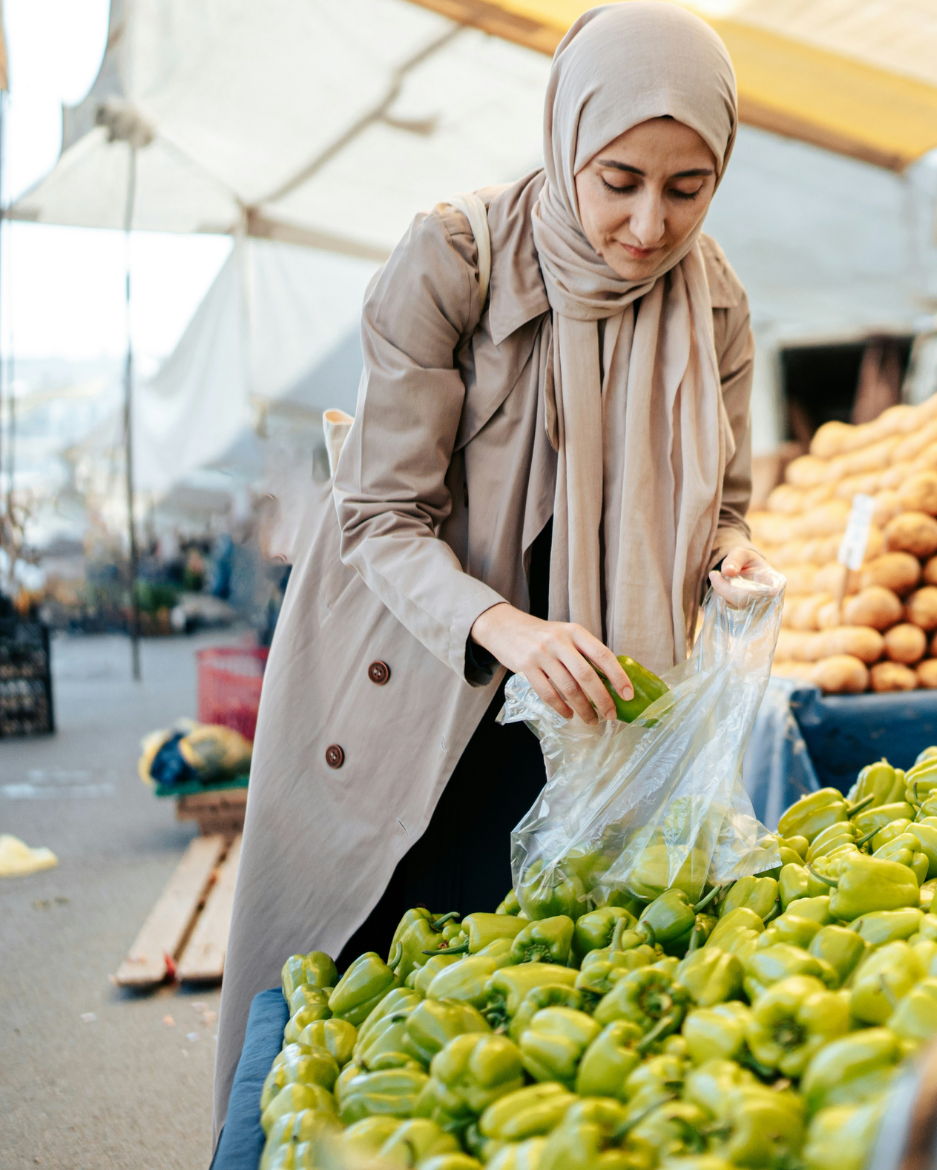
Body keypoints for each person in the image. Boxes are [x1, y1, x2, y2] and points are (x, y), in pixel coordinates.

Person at [212, 2, 768, 1134]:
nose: (648, 224)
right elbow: (379, 517)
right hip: (418, 686)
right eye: (618, 180)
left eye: (686, 186)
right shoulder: (456, 255)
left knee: (526, 1037)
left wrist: (735, 560)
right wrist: (506, 630)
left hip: (584, 716)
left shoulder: (713, 302)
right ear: (566, 136)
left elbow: (730, 507)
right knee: (373, 1008)